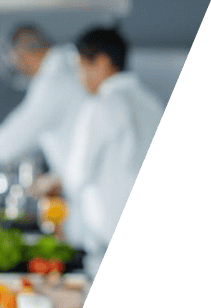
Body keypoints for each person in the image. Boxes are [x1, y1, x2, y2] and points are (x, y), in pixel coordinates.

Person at [61, 27, 163, 279]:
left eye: (81, 66)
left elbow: (75, 177)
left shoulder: (101, 106)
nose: (79, 76)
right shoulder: (153, 105)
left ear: (102, 62)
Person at [0, 25, 88, 184]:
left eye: (13, 57)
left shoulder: (53, 82)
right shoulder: (67, 67)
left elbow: (17, 134)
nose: (15, 64)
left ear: (22, 53)